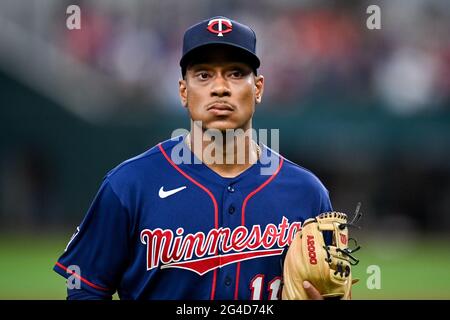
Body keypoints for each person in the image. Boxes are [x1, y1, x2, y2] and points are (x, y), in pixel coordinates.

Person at [53, 16, 332, 300]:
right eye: (203, 75)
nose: (220, 87)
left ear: (258, 88)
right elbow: (85, 288)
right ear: (183, 91)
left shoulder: (307, 194)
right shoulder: (129, 185)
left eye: (236, 73)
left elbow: (327, 290)